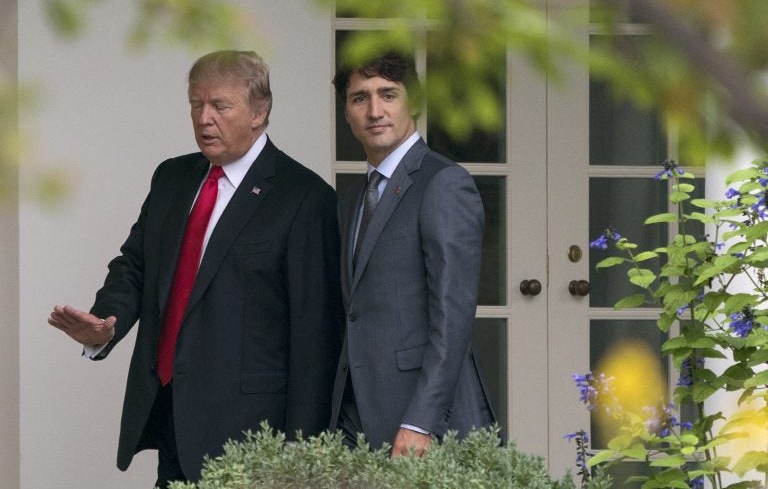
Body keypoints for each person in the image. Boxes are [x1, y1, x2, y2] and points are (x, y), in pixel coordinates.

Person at [48, 50, 343, 487]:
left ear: (260, 112)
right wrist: (105, 322)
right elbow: (136, 264)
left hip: (253, 433)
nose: (204, 118)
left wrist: (302, 448)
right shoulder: (172, 177)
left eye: (220, 106)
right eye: (195, 104)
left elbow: (316, 333)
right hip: (170, 411)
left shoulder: (304, 198)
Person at [329, 51, 495, 458]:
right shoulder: (350, 200)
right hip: (354, 413)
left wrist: (420, 420)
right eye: (359, 98)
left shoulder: (444, 183)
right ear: (347, 113)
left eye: (388, 94)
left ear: (415, 102)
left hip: (423, 418)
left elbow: (453, 318)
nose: (374, 110)